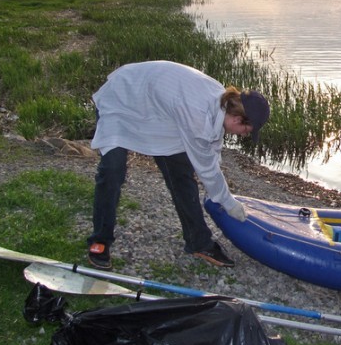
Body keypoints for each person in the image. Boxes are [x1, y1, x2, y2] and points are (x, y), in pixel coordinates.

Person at [86, 61, 270, 270]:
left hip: (161, 113)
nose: (243, 135)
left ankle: (198, 241)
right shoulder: (198, 112)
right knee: (112, 170)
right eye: (246, 131)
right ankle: (100, 240)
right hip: (124, 96)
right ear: (238, 119)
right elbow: (207, 168)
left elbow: (211, 150)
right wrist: (228, 203)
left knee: (180, 174)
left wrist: (222, 195)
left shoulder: (220, 103)